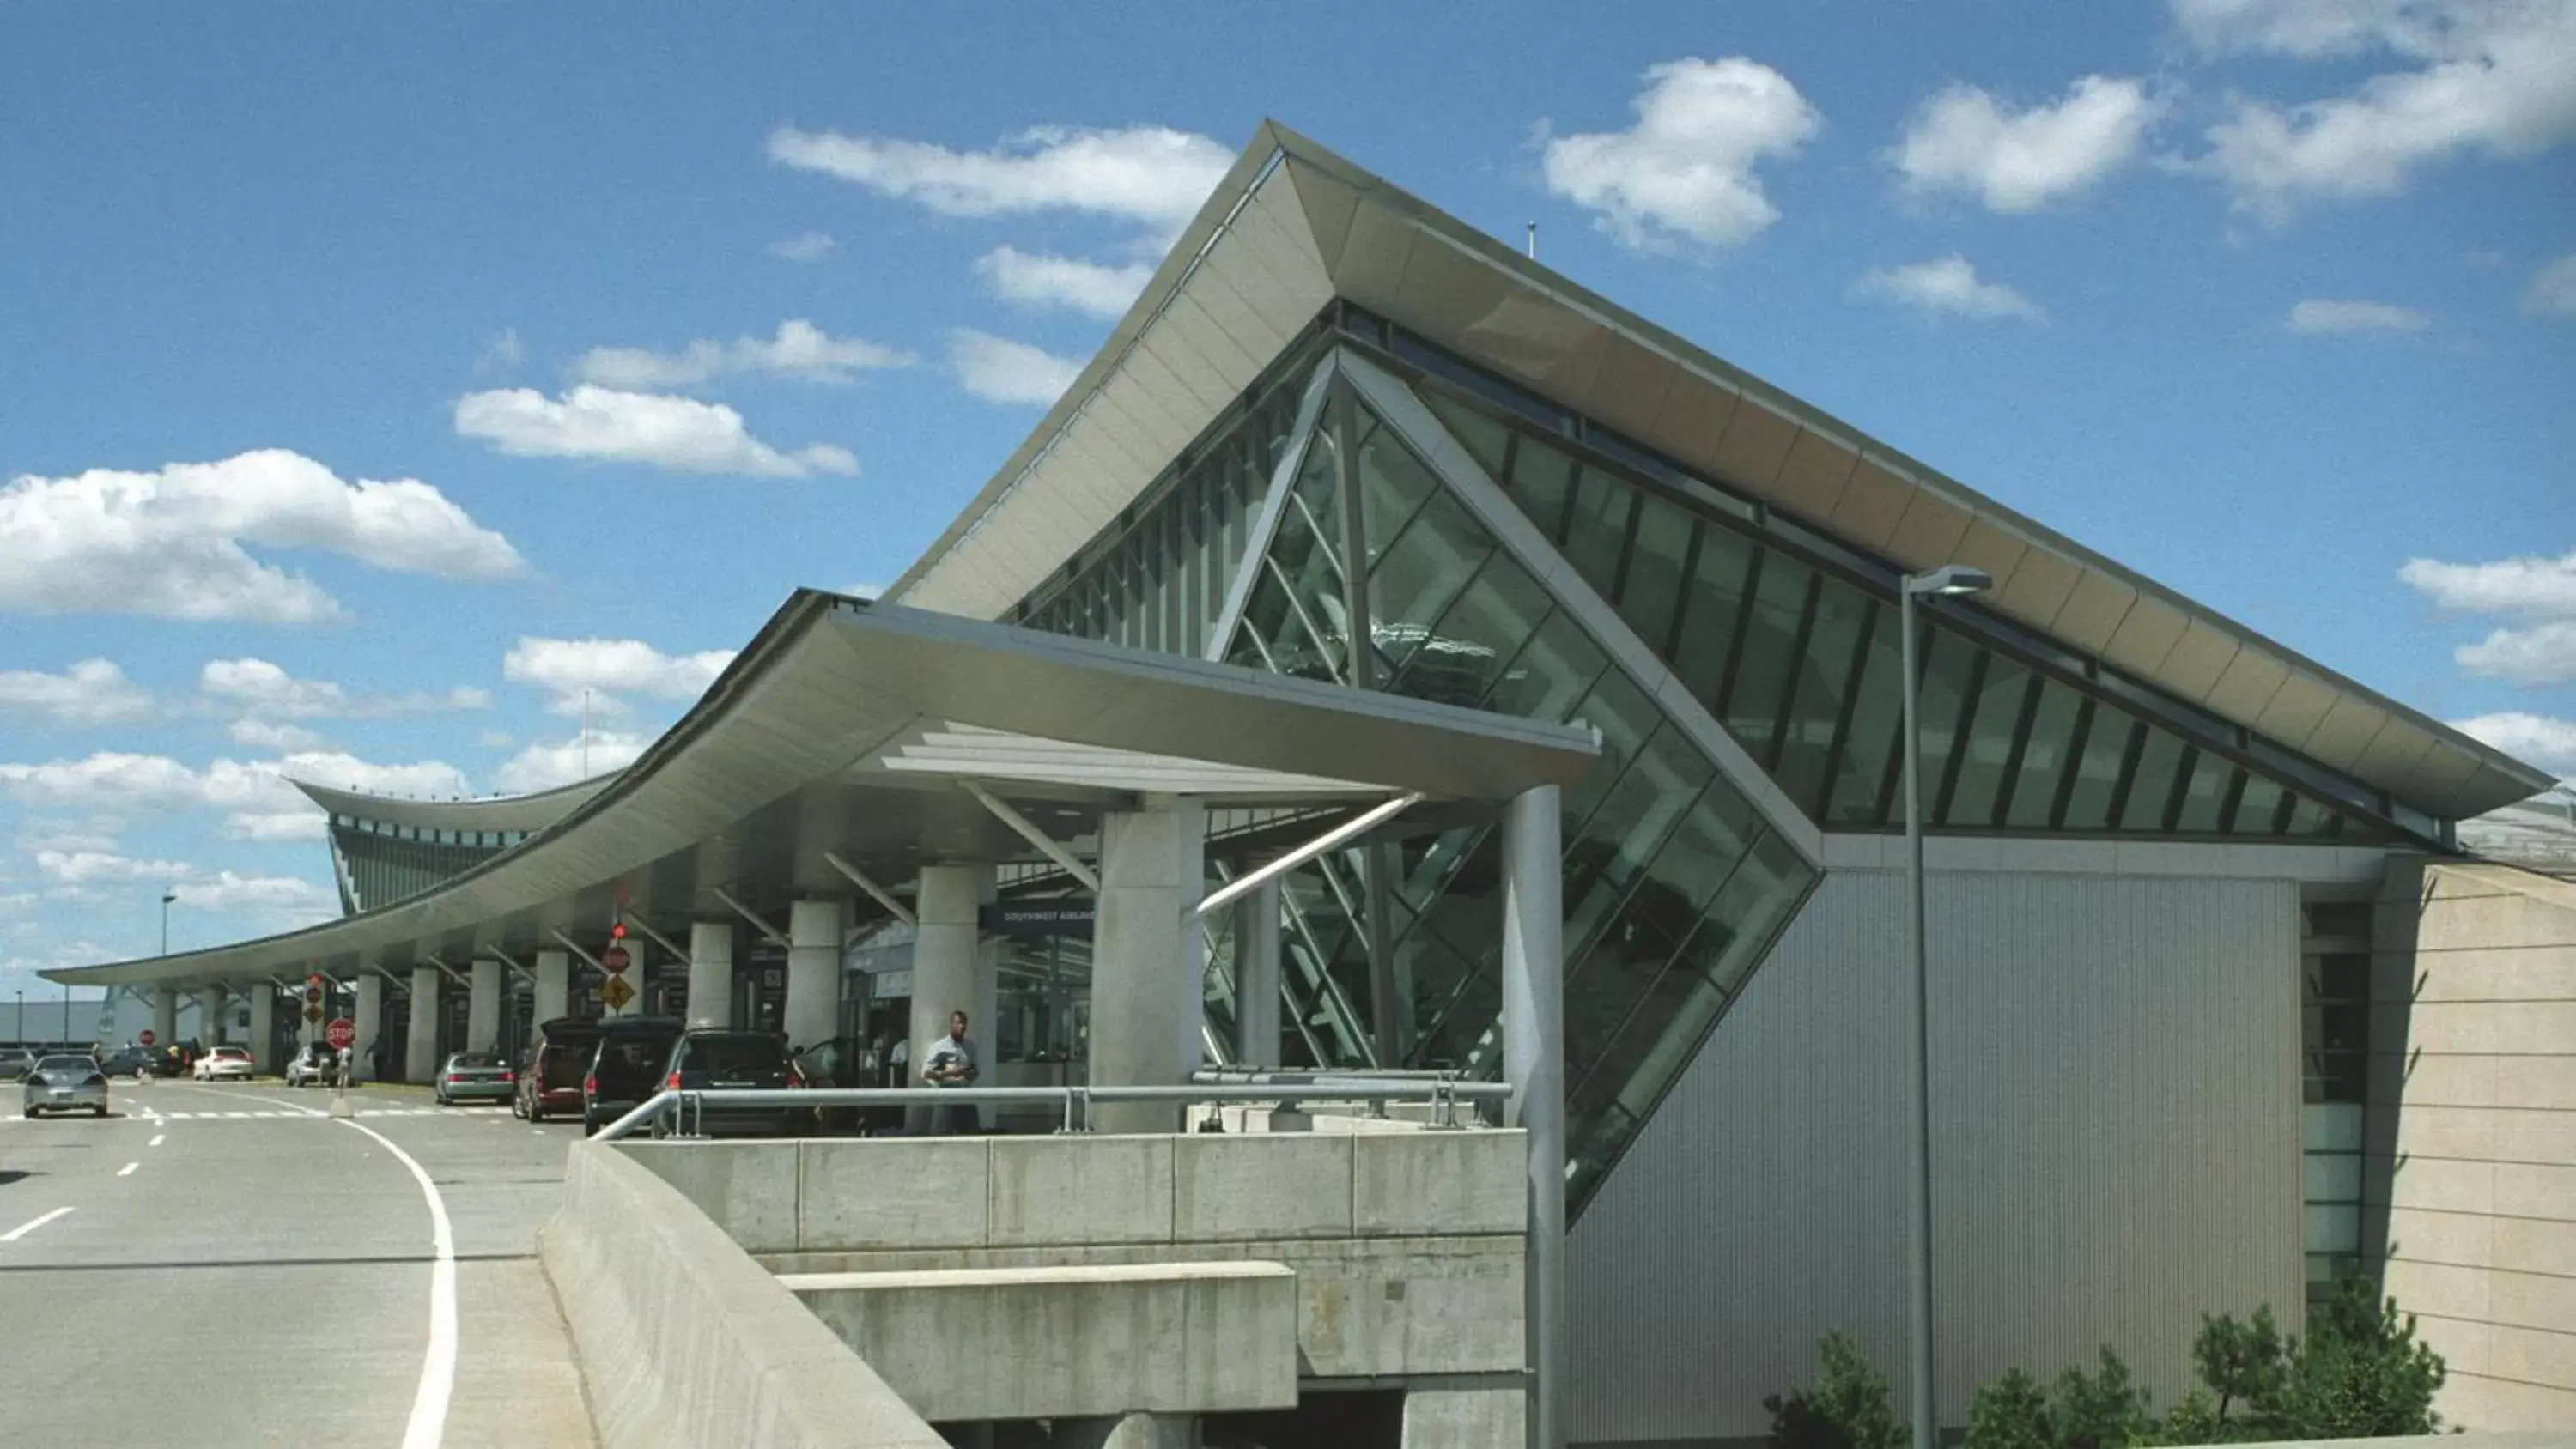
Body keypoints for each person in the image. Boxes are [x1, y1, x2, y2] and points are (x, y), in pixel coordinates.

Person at [920, 1009, 979, 1136]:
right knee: (941, 1134)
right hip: (945, 1095)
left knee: (971, 1135)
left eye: (963, 1024)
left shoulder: (970, 1046)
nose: (961, 1027)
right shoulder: (939, 1047)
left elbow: (976, 1070)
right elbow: (926, 1073)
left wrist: (967, 1073)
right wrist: (947, 1073)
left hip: (965, 1095)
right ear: (951, 1024)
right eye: (957, 1023)